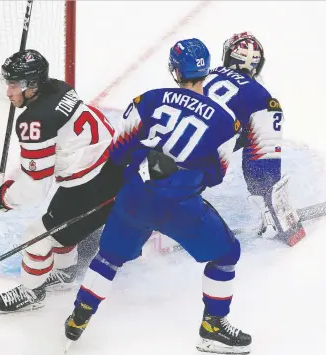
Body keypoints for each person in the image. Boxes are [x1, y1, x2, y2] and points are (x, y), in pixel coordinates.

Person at [64, 38, 252, 354]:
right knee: (226, 254)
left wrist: (142, 167)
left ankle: (79, 316)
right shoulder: (225, 120)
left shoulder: (147, 100)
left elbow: (117, 152)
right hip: (181, 207)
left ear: (174, 71)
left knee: (108, 258)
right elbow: (215, 175)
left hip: (134, 199)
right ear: (206, 71)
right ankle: (213, 328)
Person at [0, 49, 124, 314]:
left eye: (14, 84)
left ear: (32, 85)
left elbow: (36, 187)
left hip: (96, 184)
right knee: (58, 223)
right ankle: (66, 273)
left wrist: (1, 200)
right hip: (108, 166)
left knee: (37, 236)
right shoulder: (60, 88)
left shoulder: (34, 122)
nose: (8, 92)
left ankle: (32, 291)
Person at [203, 31, 283, 239]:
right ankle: (272, 212)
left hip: (164, 145)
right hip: (202, 160)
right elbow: (264, 149)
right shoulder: (260, 95)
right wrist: (268, 189)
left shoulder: (204, 74)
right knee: (257, 133)